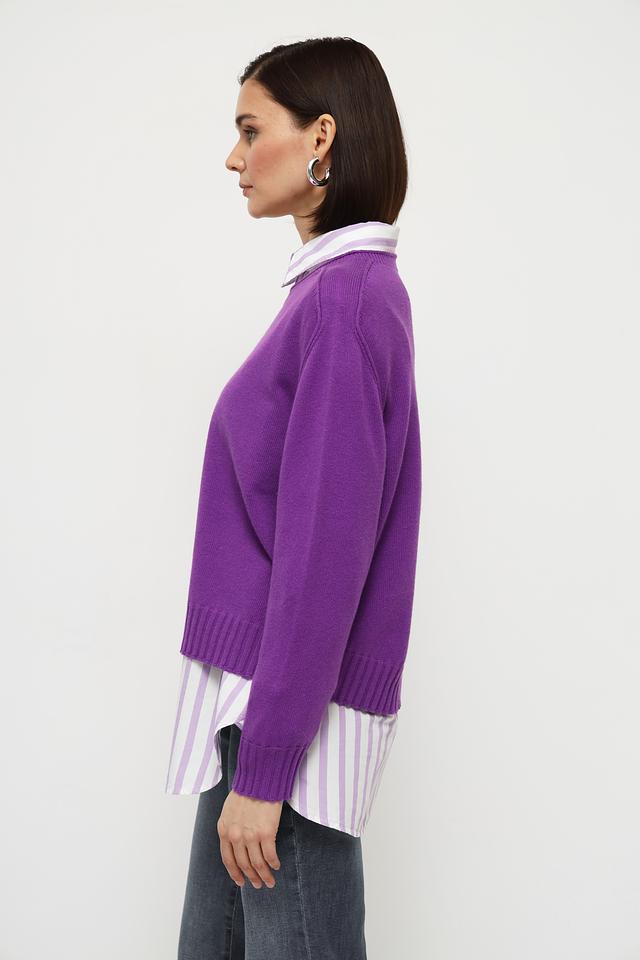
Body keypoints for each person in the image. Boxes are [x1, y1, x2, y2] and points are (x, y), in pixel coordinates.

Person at [168, 36, 422, 960]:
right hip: (264, 712)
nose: (233, 157)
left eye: (250, 130)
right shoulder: (331, 297)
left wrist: (269, 768)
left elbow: (324, 562)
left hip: (286, 732)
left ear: (321, 138)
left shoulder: (343, 308)